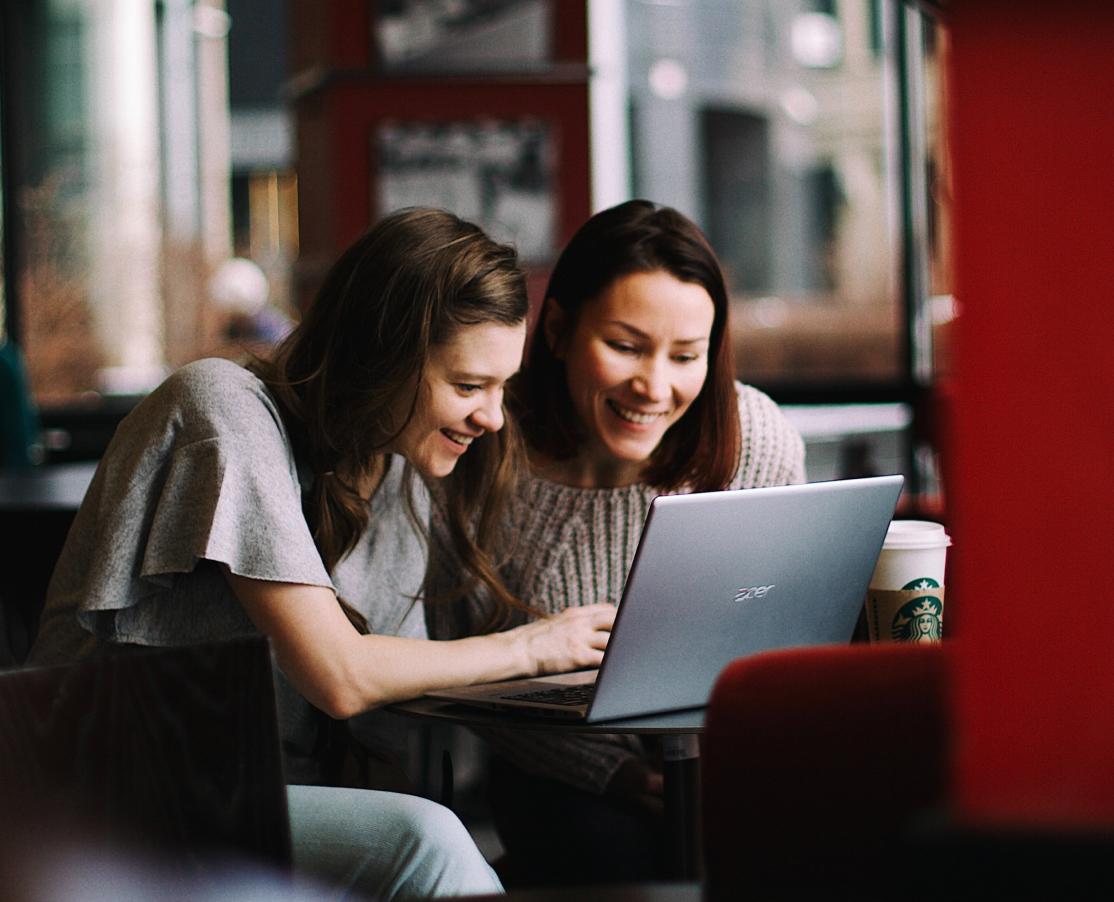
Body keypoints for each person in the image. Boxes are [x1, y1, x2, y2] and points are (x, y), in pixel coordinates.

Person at [28, 207, 616, 899]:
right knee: (427, 843)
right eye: (467, 386)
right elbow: (341, 676)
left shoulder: (400, 475)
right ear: (383, 356)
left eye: (500, 389)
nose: (491, 418)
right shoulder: (222, 408)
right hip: (106, 792)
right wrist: (533, 648)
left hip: (252, 798)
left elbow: (396, 690)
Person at [428, 199, 806, 886]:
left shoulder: (755, 438)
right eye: (626, 346)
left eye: (686, 355)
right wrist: (616, 774)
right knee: (620, 861)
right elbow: (457, 666)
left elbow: (787, 624)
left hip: (735, 762)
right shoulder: (480, 451)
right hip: (560, 774)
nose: (654, 387)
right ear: (559, 330)